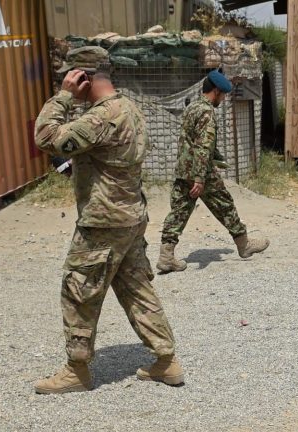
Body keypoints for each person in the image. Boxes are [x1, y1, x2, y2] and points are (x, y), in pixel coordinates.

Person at [34, 46, 183, 394]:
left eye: (71, 79)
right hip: (130, 215)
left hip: (103, 221)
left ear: (82, 77)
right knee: (136, 287)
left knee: (79, 291)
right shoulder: (130, 108)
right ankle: (166, 359)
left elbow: (45, 138)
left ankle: (77, 369)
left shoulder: (101, 116)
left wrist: (64, 97)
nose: (68, 85)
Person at [156, 70, 269, 273]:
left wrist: (216, 158)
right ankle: (244, 245)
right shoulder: (207, 112)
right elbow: (203, 145)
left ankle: (166, 256)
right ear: (216, 91)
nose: (223, 99)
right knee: (224, 205)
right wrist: (200, 177)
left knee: (179, 212)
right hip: (202, 172)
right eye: (223, 95)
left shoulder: (192, 107)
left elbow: (192, 140)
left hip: (184, 169)